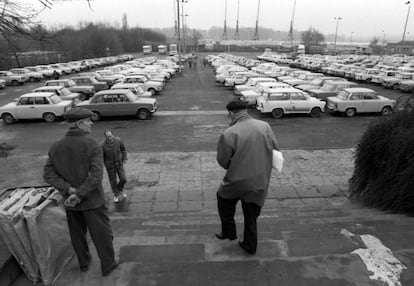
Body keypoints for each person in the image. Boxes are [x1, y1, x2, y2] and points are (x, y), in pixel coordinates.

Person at [43, 107, 118, 276]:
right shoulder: (92, 144)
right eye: (88, 120)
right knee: (102, 235)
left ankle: (84, 263)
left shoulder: (56, 146)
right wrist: (80, 194)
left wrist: (69, 190)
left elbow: (48, 175)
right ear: (79, 123)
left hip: (70, 203)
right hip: (93, 202)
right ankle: (108, 264)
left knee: (77, 236)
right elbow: (96, 175)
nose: (91, 123)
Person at [215, 100, 279, 255]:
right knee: (251, 216)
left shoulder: (229, 133)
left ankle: (229, 232)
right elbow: (275, 149)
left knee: (223, 199)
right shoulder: (265, 126)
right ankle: (250, 245)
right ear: (246, 111)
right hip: (259, 181)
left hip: (237, 182)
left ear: (230, 113)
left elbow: (223, 161)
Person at [102, 130, 128, 203]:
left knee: (123, 179)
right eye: (108, 137)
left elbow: (123, 149)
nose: (109, 138)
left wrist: (124, 157)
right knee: (113, 181)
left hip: (119, 164)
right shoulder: (102, 145)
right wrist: (104, 164)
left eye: (110, 136)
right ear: (105, 137)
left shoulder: (118, 140)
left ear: (112, 135)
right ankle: (116, 194)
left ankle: (120, 189)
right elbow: (101, 156)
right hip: (110, 166)